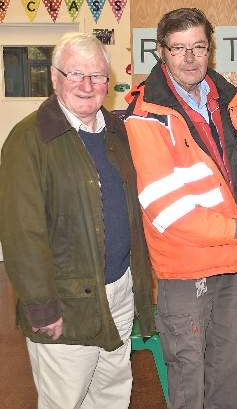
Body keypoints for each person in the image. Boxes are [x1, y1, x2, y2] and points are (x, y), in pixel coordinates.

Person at [0, 33, 155, 409]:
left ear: (108, 81)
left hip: (118, 292)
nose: (87, 86)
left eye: (97, 76)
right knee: (65, 400)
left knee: (111, 394)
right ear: (54, 78)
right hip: (66, 304)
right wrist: (41, 307)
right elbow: (22, 234)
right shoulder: (29, 140)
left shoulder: (117, 132)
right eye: (76, 74)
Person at [123, 7, 237, 409]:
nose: (189, 57)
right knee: (189, 375)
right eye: (179, 48)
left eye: (198, 47)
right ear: (161, 52)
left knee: (230, 369)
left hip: (232, 257)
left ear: (210, 50)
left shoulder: (225, 101)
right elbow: (166, 208)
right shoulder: (146, 116)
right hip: (187, 264)